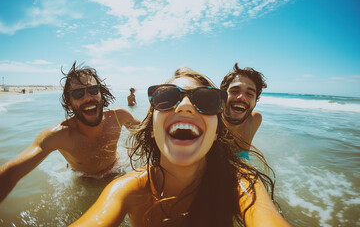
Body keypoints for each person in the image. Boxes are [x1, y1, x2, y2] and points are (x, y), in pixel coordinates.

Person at [69, 67, 290, 227]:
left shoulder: (241, 184)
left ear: (216, 134)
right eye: (166, 98)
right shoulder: (127, 189)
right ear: (152, 128)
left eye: (205, 100)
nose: (185, 106)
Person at [0, 61, 140, 202]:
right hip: (84, 183)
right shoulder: (60, 135)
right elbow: (11, 173)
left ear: (100, 94)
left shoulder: (119, 117)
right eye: (78, 93)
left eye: (92, 90)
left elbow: (147, 133)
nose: (87, 97)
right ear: (69, 104)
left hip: (116, 171)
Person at [220, 63, 267, 160]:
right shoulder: (211, 120)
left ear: (255, 101)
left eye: (249, 94)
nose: (241, 97)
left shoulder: (254, 120)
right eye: (234, 91)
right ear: (222, 95)